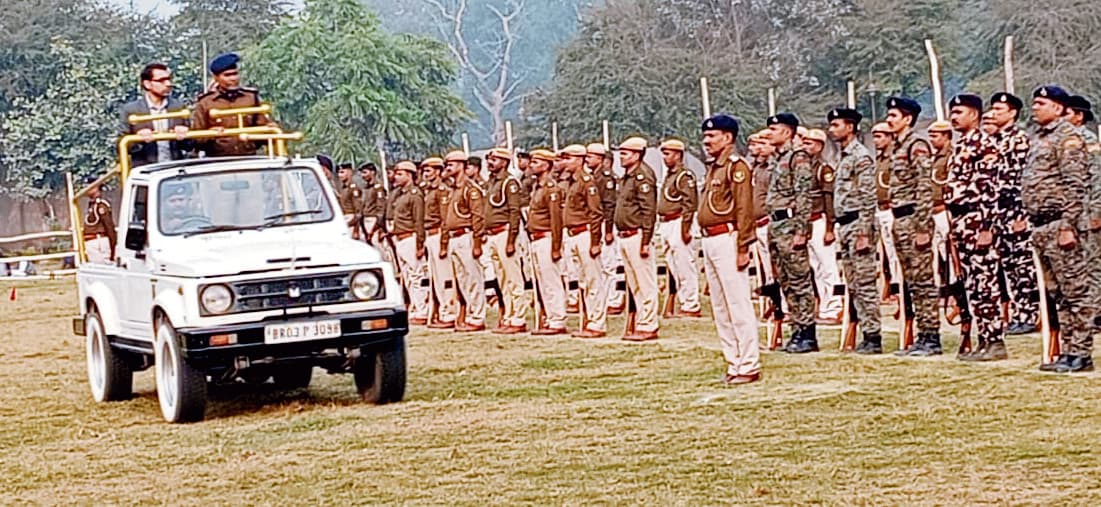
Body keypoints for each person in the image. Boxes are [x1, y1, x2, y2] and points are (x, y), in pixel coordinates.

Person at [1026, 86, 1093, 372]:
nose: (1034, 108)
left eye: (1041, 103)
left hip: (1061, 224)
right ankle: (1068, 350)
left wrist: (1069, 225)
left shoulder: (1068, 138)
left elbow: (1076, 185)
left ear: (1058, 108)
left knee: (1076, 291)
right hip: (1042, 225)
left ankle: (1081, 352)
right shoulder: (1040, 138)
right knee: (1059, 293)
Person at [699, 114, 759, 385]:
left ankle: (748, 362)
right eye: (706, 136)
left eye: (712, 136)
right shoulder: (714, 168)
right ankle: (733, 361)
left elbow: (744, 208)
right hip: (710, 239)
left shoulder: (736, 167)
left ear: (727, 138)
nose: (706, 141)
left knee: (737, 303)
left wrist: (743, 245)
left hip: (728, 237)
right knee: (721, 307)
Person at [944, 94, 1004, 361]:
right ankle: (983, 339)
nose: (954, 117)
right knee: (971, 284)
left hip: (978, 220)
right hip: (961, 221)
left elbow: (990, 190)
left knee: (985, 283)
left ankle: (995, 340)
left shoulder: (984, 145)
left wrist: (987, 227)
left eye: (959, 111)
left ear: (974, 115)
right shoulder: (960, 145)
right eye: (952, 112)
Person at [884, 96, 941, 356]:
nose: (889, 120)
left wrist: (922, 227)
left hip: (914, 219)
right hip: (900, 219)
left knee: (923, 280)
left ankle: (931, 336)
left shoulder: (917, 145)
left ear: (907, 119)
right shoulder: (898, 146)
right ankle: (922, 333)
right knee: (911, 280)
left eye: (894, 116)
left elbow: (924, 186)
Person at [827, 108, 882, 353]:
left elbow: (868, 197)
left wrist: (863, 232)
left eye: (837, 125)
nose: (832, 129)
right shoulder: (843, 156)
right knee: (853, 283)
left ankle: (873, 335)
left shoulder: (860, 156)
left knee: (865, 281)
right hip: (845, 223)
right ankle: (864, 330)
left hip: (859, 223)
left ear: (850, 127)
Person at [765, 112, 819, 353]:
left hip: (790, 225)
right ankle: (796, 328)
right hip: (776, 225)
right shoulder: (777, 159)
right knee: (786, 281)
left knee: (800, 280)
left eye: (774, 130)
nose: (769, 134)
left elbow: (803, 195)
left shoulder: (798, 157)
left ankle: (808, 333)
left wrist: (801, 230)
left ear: (787, 132)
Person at [615, 137, 660, 341]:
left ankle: (649, 324)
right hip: (625, 234)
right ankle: (642, 321)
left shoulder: (642, 176)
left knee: (645, 282)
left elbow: (648, 210)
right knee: (634, 283)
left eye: (625, 153)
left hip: (637, 234)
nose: (621, 157)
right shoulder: (628, 176)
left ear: (636, 154)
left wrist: (646, 241)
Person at [190, 53, 274, 157]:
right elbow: (196, 139)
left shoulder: (251, 98)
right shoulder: (205, 102)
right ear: (216, 78)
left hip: (248, 158)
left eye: (235, 74)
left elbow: (263, 130)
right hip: (217, 161)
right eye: (227, 75)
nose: (233, 78)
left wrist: (269, 129)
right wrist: (210, 134)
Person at [563, 142, 607, 338]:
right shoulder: (572, 181)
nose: (566, 162)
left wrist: (595, 241)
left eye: (569, 158)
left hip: (585, 233)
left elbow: (596, 213)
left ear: (580, 160)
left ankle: (597, 323)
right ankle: (589, 320)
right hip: (573, 234)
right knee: (582, 281)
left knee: (593, 280)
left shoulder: (586, 181)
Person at [483, 147, 529, 333]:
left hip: (505, 233)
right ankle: (509, 315)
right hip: (493, 235)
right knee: (502, 280)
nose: (489, 162)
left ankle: (519, 318)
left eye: (494, 159)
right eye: (489, 159)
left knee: (513, 278)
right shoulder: (492, 182)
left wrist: (511, 240)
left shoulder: (509, 183)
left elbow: (514, 212)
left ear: (504, 162)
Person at [802, 128, 844, 323]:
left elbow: (829, 200)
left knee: (828, 267)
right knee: (816, 267)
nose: (805, 146)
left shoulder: (823, 169)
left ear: (819, 146)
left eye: (810, 143)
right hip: (807, 222)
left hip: (820, 220)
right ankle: (825, 306)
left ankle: (836, 306)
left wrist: (829, 227)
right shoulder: (803, 168)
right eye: (804, 142)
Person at [442, 151, 487, 332]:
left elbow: (478, 217)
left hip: (466, 236)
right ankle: (470, 313)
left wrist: (477, 243)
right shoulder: (452, 190)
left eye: (451, 164)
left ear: (461, 165)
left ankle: (477, 316)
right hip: (454, 237)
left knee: (473, 277)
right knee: (462, 279)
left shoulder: (471, 189)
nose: (448, 168)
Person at [656, 138, 701, 317]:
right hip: (666, 223)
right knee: (673, 265)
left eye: (668, 154)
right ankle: (684, 300)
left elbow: (690, 204)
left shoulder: (684, 176)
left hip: (678, 221)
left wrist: (685, 228)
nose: (665, 158)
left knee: (684, 265)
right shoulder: (669, 175)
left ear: (678, 155)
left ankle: (691, 304)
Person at [527, 149, 569, 335]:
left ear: (546, 165)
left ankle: (558, 319)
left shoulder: (551, 188)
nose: (531, 165)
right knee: (542, 281)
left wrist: (556, 246)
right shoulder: (537, 187)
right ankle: (550, 317)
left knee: (552, 281)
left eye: (536, 162)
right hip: (536, 237)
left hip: (546, 237)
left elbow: (556, 219)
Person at [119, 62, 190, 167]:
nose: (168, 84)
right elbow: (121, 145)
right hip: (146, 172)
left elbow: (190, 145)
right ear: (147, 84)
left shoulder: (178, 107)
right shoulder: (131, 110)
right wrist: (138, 140)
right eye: (162, 80)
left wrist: (185, 136)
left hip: (175, 171)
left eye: (169, 79)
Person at [388, 161, 429, 325]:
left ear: (410, 175)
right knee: (407, 276)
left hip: (410, 237)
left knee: (417, 274)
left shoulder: (415, 194)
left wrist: (420, 244)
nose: (396, 177)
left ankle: (422, 309)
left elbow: (419, 221)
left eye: (400, 174)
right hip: (400, 238)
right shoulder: (399, 194)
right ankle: (415, 307)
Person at [585, 143, 624, 314]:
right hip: (596, 223)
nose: (587, 160)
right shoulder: (594, 176)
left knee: (610, 264)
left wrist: (608, 230)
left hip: (605, 223)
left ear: (600, 159)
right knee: (600, 265)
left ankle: (615, 299)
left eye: (590, 157)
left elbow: (609, 205)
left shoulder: (605, 177)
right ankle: (607, 297)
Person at [422, 156, 458, 328]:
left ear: (437, 171)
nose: (425, 174)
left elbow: (445, 219)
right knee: (436, 278)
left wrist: (444, 243)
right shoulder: (428, 190)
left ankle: (450, 313)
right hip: (430, 235)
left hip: (438, 235)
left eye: (429, 170)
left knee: (445, 277)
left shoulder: (442, 191)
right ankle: (443, 311)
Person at [872, 122, 902, 305]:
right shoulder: (879, 160)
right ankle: (894, 288)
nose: (876, 140)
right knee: (889, 254)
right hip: (880, 209)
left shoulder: (895, 158)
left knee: (898, 252)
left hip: (894, 209)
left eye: (881, 136)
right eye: (875, 136)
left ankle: (901, 289)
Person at [83, 177, 117, 264]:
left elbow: (109, 227)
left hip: (99, 241)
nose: (87, 188)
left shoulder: (101, 205)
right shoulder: (92, 205)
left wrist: (113, 247)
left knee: (103, 269)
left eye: (90, 186)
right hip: (92, 242)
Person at [359, 163, 387, 242]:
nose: (362, 175)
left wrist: (376, 227)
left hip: (374, 221)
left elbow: (381, 209)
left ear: (373, 172)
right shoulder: (366, 188)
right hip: (365, 220)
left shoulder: (378, 188)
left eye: (365, 172)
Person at [336, 163, 363, 239]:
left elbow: (358, 211)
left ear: (349, 172)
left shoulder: (353, 188)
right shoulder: (343, 189)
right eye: (338, 172)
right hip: (344, 218)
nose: (339, 175)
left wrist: (356, 229)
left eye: (342, 172)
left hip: (352, 219)